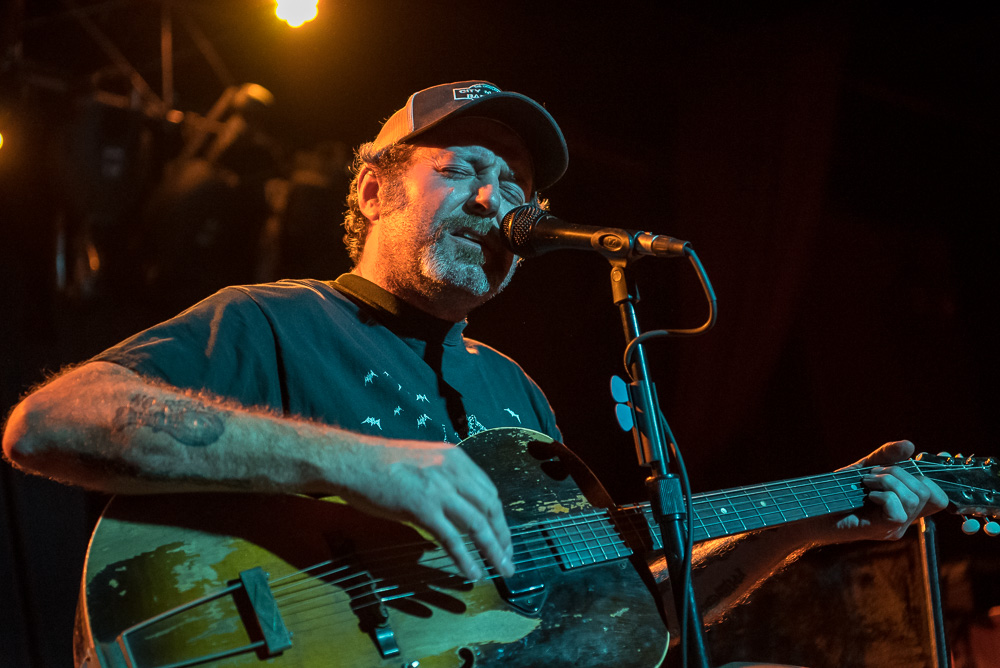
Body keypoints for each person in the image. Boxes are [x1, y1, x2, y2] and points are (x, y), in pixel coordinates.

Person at [2, 80, 947, 652]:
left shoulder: (517, 392)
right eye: (463, 169)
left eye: (518, 188)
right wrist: (363, 463)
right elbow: (48, 424)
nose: (498, 200)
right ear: (373, 188)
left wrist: (805, 524)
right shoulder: (276, 322)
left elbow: (611, 619)